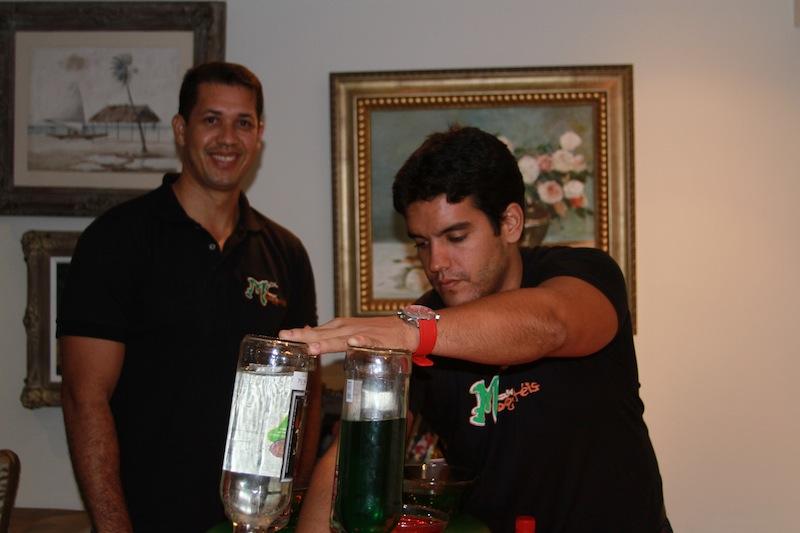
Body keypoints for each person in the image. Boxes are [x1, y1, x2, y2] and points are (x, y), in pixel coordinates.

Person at [280, 126, 670, 532]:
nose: (436, 263)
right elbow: (351, 459)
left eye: (456, 237)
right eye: (422, 243)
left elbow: (550, 324)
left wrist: (411, 333)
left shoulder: (584, 273)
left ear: (510, 223)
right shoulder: (426, 318)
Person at [58, 62, 320, 532]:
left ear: (259, 134)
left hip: (254, 522)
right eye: (211, 119)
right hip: (146, 517)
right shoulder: (116, 240)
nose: (228, 138)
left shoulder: (286, 253)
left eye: (243, 123)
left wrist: (292, 509)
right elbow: (84, 398)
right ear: (181, 129)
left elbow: (307, 392)